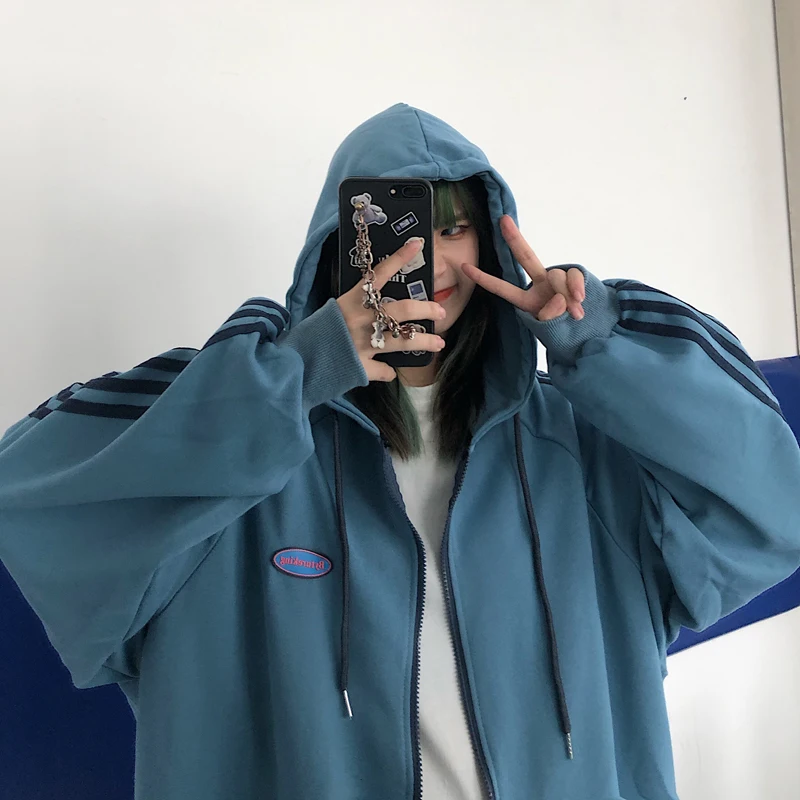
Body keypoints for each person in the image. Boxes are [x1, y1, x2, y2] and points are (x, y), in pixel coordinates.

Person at [1, 102, 799, 800]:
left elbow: (774, 505)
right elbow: (27, 494)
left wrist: (601, 342)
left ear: (489, 240)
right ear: (337, 251)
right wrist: (294, 373)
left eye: (454, 228)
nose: (430, 260)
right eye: (395, 230)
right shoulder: (241, 446)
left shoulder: (578, 449)